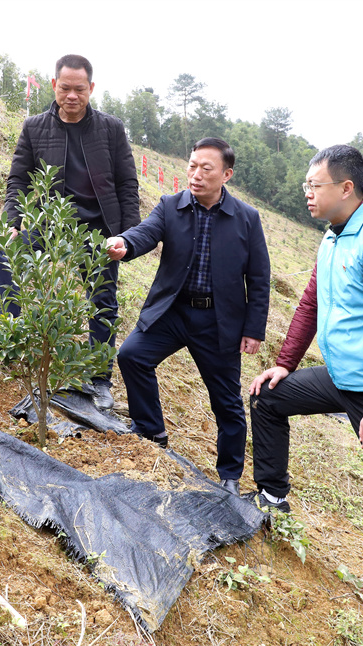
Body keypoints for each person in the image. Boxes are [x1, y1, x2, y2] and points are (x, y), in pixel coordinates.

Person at [248, 145, 363, 634]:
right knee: (266, 399)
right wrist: (284, 365)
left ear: (345, 188)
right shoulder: (333, 237)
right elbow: (310, 302)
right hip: (344, 376)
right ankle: (271, 496)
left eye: (315, 185)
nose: (307, 193)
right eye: (306, 185)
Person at [106, 137, 270, 496]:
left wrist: (253, 328)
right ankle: (151, 431)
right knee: (132, 355)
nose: (196, 175)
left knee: (226, 400)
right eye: (192, 165)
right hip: (173, 311)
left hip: (219, 322)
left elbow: (258, 278)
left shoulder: (246, 219)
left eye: (205, 168)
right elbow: (145, 233)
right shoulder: (171, 207)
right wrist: (126, 243)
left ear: (226, 174)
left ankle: (229, 475)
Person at [0, 54, 140, 409]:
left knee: (102, 301)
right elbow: (18, 181)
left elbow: (127, 184)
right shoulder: (35, 128)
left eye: (80, 89)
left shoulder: (111, 129)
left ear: (91, 89)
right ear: (54, 86)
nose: (72, 96)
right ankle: (4, 340)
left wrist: (128, 238)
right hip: (51, 224)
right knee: (2, 252)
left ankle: (99, 378)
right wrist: (12, 225)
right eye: (66, 88)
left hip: (100, 229)